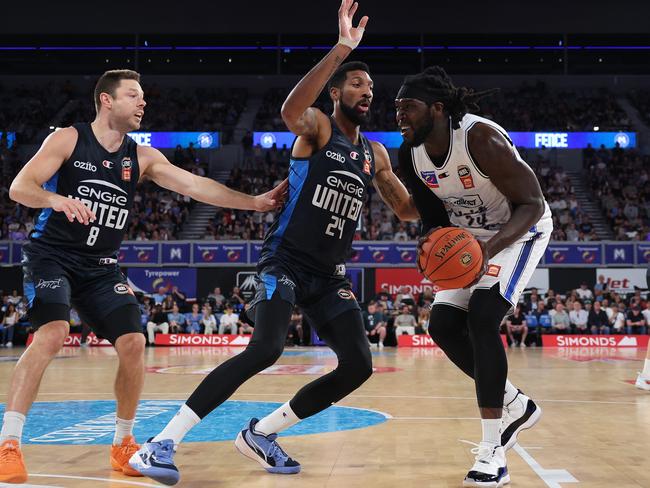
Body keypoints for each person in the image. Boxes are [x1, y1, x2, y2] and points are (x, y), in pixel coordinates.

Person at [130, 2, 420, 484]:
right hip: (284, 261)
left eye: (370, 86)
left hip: (328, 276)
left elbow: (407, 210)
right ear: (334, 92)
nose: (367, 91)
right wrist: (342, 48)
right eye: (356, 83)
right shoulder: (318, 129)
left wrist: (453, 197)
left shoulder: (375, 154)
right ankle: (160, 443)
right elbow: (290, 110)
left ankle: (261, 433)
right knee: (265, 349)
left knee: (358, 365)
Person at [0, 68, 285, 483]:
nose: (143, 102)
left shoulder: (142, 156)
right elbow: (19, 188)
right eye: (133, 95)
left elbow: (197, 187)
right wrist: (55, 199)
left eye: (143, 96)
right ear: (106, 100)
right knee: (53, 332)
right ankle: (9, 443)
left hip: (100, 267)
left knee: (134, 341)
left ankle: (123, 443)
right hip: (52, 257)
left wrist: (254, 203)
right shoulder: (68, 138)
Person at [395, 66, 552, 486]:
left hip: (518, 231)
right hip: (469, 240)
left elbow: (533, 204)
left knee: (483, 316)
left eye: (408, 107)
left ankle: (493, 452)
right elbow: (432, 216)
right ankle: (516, 404)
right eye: (396, 108)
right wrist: (428, 245)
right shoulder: (409, 154)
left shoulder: (481, 138)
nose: (399, 115)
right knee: (443, 325)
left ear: (438, 108)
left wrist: (487, 249)